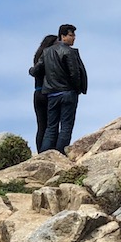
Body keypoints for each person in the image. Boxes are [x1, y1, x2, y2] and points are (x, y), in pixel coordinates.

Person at [39, 24, 88, 153]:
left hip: (51, 94)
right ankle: (60, 154)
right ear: (63, 36)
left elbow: (37, 69)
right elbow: (74, 73)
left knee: (51, 127)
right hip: (67, 93)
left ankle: (44, 155)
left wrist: (31, 71)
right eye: (71, 35)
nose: (74, 38)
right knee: (66, 127)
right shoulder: (69, 51)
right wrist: (77, 89)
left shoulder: (46, 52)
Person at [29, 34, 60, 150]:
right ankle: (51, 150)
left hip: (37, 93)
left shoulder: (37, 57)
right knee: (52, 126)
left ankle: (40, 151)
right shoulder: (50, 58)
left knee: (41, 126)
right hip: (48, 93)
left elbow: (35, 72)